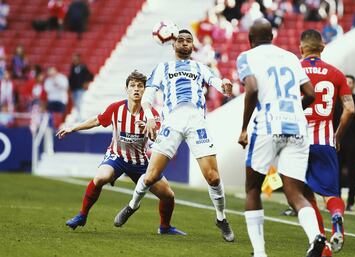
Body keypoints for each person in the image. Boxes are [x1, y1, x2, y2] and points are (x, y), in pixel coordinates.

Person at [114, 29, 235, 242]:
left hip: (197, 123)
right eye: (181, 40)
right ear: (173, 45)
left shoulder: (200, 67)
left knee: (213, 177)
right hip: (171, 123)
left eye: (189, 41)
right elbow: (147, 98)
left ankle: (221, 218)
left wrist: (224, 85)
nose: (185, 43)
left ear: (192, 46)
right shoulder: (162, 68)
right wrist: (150, 117)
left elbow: (216, 82)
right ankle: (132, 205)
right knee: (151, 176)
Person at [56, 70, 186, 235]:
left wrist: (147, 130)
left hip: (140, 163)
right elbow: (97, 120)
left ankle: (165, 227)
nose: (136, 89)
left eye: (140, 86)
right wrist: (72, 127)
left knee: (168, 195)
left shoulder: (152, 115)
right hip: (116, 157)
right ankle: (82, 215)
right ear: (127, 89)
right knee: (101, 177)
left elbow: (157, 138)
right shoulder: (116, 108)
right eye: (132, 85)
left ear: (145, 91)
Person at [237, 19, 325, 257]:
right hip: (297, 126)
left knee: (253, 188)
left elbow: (253, 89)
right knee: (295, 192)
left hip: (268, 124)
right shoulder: (290, 57)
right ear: (272, 37)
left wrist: (244, 127)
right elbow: (310, 94)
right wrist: (295, 108)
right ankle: (315, 236)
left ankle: (259, 253)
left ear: (250, 39)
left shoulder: (246, 57)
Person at [299, 29, 355, 254]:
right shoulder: (336, 74)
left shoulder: (294, 69)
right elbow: (350, 109)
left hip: (297, 144)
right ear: (322, 48)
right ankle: (336, 217)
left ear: (301, 48)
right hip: (325, 142)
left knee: (304, 194)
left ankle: (321, 244)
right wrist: (337, 135)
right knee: (331, 194)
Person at [335, 75, 355, 211]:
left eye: (351, 82)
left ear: (354, 85)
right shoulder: (336, 99)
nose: (348, 84)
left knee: (352, 173)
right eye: (346, 82)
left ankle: (350, 201)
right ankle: (336, 199)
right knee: (335, 170)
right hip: (338, 140)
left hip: (353, 143)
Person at [68, 53, 93, 121]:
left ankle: (81, 117)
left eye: (76, 59)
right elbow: (71, 78)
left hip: (80, 89)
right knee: (76, 104)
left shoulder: (83, 67)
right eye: (74, 59)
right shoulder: (73, 68)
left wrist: (86, 82)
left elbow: (90, 75)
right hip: (74, 89)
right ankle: (78, 116)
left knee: (79, 103)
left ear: (79, 59)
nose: (74, 61)